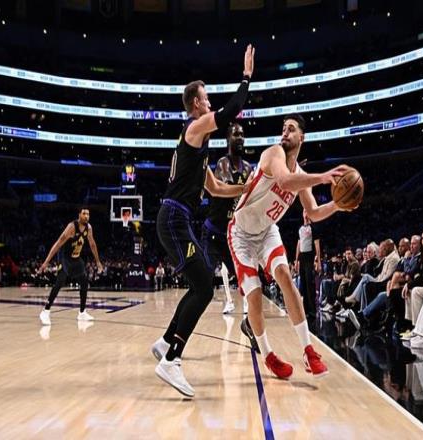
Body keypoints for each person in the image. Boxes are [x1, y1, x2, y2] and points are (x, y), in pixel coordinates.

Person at [151, 44, 255, 398]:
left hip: (177, 220)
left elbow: (217, 189)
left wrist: (246, 188)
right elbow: (231, 112)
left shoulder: (198, 149)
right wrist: (246, 77)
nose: (210, 103)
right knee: (205, 288)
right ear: (196, 103)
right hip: (174, 219)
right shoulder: (195, 127)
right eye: (207, 99)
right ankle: (172, 359)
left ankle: (166, 342)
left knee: (200, 285)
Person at [228, 113, 353, 379]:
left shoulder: (302, 176)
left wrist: (337, 205)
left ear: (302, 137)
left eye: (291, 129)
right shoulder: (274, 153)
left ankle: (309, 351)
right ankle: (268, 355)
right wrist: (322, 177)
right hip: (241, 234)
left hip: (266, 231)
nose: (285, 133)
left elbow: (314, 212)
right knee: (254, 295)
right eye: (283, 128)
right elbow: (284, 181)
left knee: (285, 276)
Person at [201, 122, 252, 314]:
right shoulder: (223, 163)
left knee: (245, 273)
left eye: (242, 134)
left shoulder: (248, 167)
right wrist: (246, 188)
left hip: (234, 232)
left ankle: (244, 304)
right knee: (204, 280)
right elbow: (223, 190)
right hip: (214, 231)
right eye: (236, 134)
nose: (240, 138)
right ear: (228, 139)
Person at [38, 207, 103, 325]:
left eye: (88, 214)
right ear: (79, 215)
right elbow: (58, 244)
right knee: (60, 281)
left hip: (76, 258)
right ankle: (45, 311)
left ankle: (82, 313)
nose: (86, 216)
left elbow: (92, 244)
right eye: (84, 214)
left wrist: (98, 262)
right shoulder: (72, 227)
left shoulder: (89, 228)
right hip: (64, 257)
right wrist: (46, 262)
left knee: (84, 282)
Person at [295, 209, 321, 324]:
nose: (305, 213)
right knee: (303, 284)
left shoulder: (313, 227)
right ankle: (305, 309)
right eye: (304, 211)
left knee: (310, 283)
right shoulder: (300, 228)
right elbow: (299, 244)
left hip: (310, 257)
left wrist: (318, 261)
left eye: (307, 211)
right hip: (302, 258)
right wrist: (296, 261)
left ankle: (312, 310)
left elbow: (317, 244)